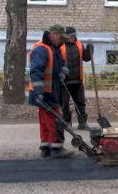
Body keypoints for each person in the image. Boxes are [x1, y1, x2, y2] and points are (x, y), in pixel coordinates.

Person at [28, 24, 74, 158]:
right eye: (60, 37)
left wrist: (63, 73)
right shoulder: (42, 49)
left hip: (51, 89)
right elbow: (36, 72)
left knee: (45, 119)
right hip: (44, 91)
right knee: (55, 119)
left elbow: (62, 63)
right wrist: (39, 92)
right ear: (53, 34)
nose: (62, 40)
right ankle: (56, 147)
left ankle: (45, 146)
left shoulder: (54, 48)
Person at [60, 26, 93, 130]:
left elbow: (86, 58)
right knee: (64, 104)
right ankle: (67, 122)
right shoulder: (60, 46)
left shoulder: (79, 45)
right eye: (71, 36)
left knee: (80, 102)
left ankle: (82, 122)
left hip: (77, 80)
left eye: (74, 36)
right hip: (64, 81)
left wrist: (90, 50)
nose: (73, 38)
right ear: (66, 36)